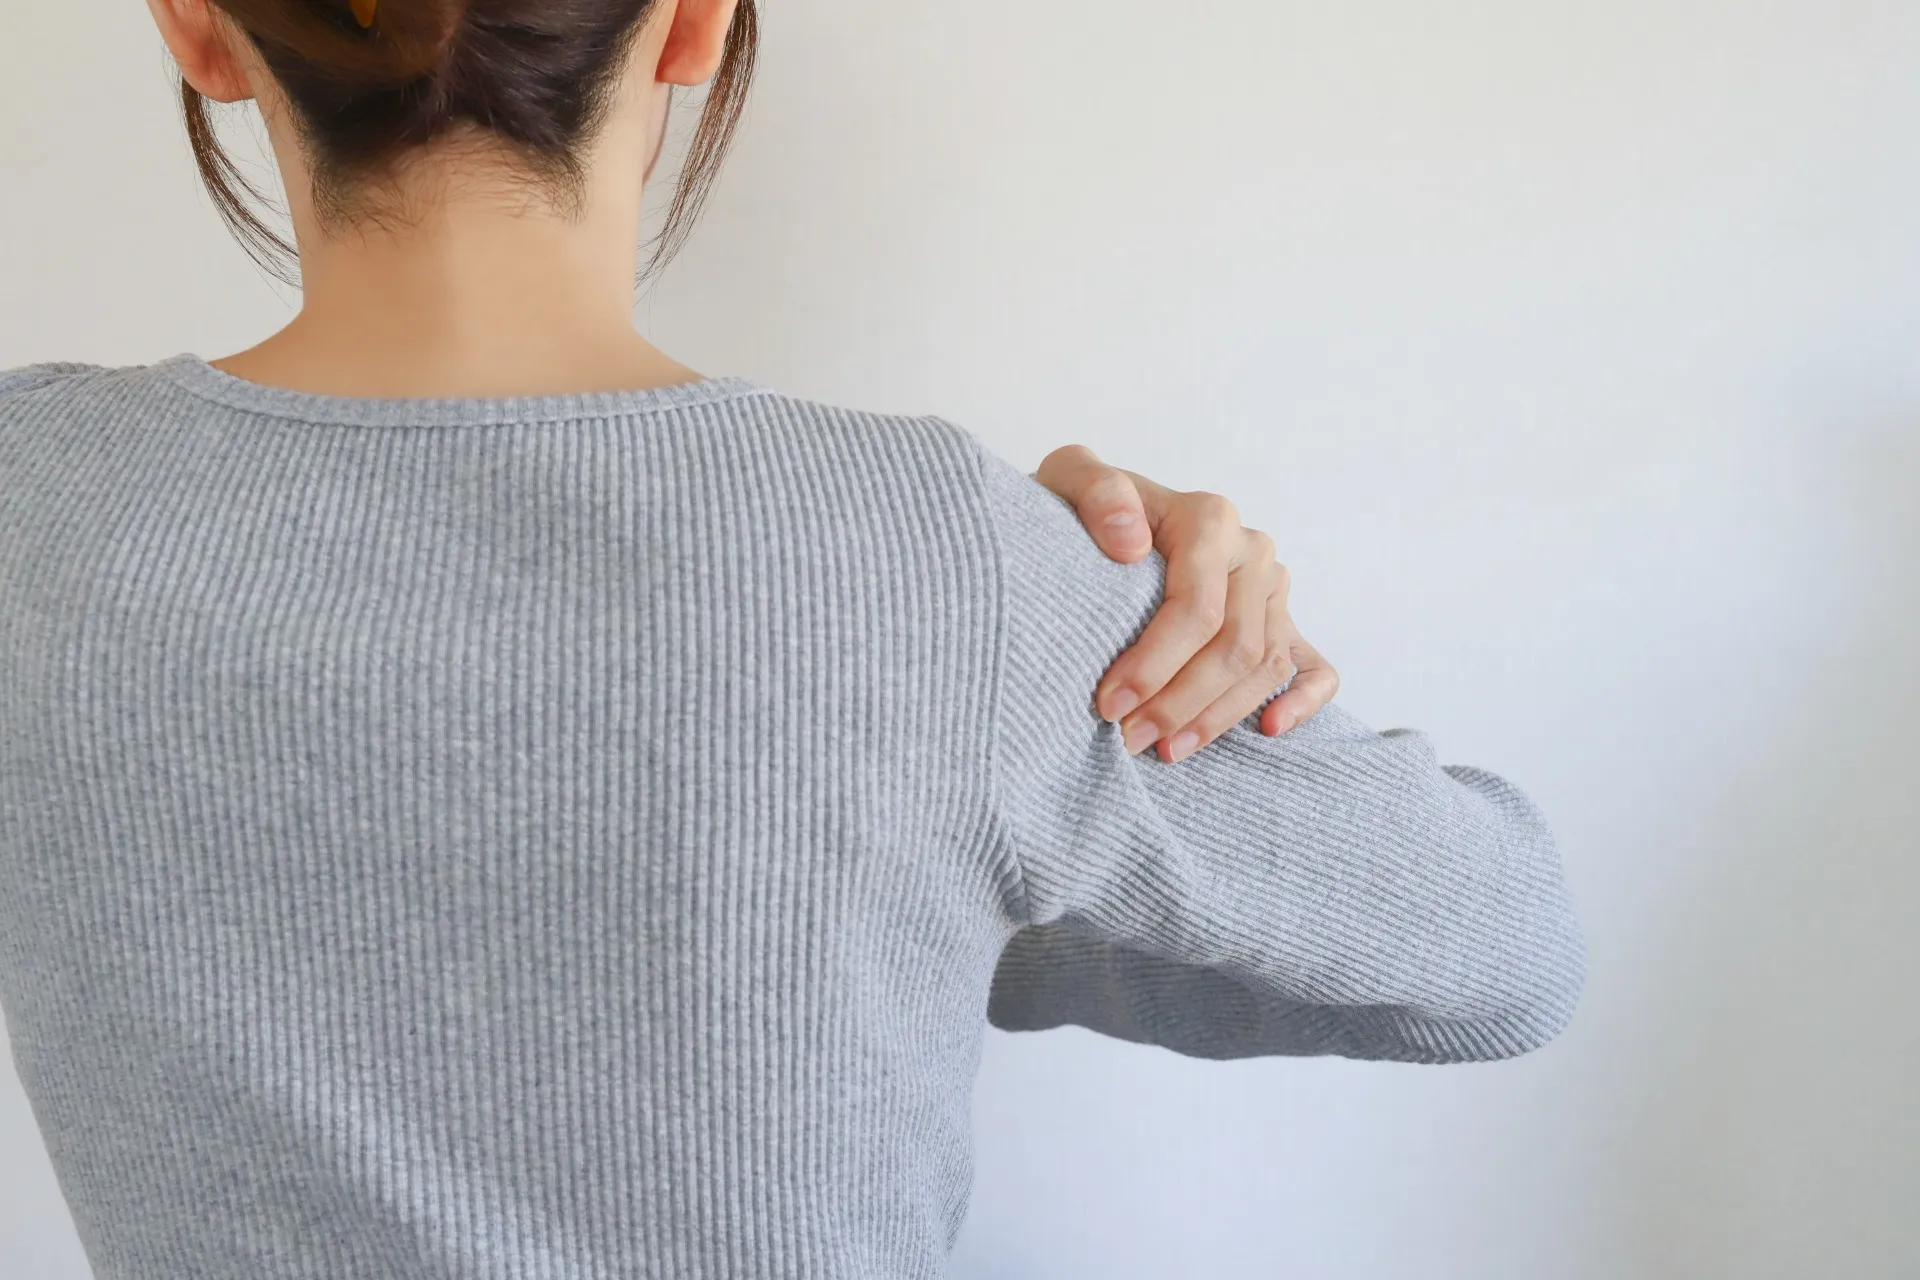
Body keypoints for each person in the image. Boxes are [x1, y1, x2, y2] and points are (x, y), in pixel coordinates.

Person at [0, 1, 1585, 1277]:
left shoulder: (27, 507)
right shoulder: (940, 558)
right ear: (695, 26)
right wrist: (956, 802)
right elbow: (1502, 954)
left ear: (195, 32)